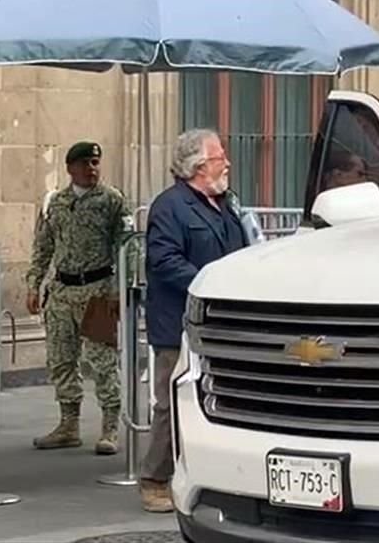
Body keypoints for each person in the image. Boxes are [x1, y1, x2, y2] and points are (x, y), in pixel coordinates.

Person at [139, 129, 254, 512]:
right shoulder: (170, 207)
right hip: (179, 324)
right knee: (172, 402)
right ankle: (154, 479)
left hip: (223, 324)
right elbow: (165, 261)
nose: (228, 163)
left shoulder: (225, 204)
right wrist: (209, 284)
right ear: (200, 166)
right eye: (221, 156)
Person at [26, 141, 134, 455]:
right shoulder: (55, 203)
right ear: (70, 168)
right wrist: (34, 284)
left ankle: (110, 426)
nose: (92, 169)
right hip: (61, 292)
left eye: (96, 162)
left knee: (102, 361)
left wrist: (120, 288)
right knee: (61, 359)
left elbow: (127, 246)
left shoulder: (111, 200)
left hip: (98, 289)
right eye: (85, 163)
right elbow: (43, 247)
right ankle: (68, 424)